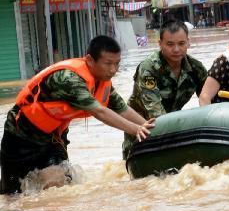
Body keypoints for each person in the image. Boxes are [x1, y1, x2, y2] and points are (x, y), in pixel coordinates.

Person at [1, 36, 155, 194]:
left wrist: (153, 129)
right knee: (12, 195)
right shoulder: (69, 79)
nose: (113, 70)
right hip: (20, 137)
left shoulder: (103, 81)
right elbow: (99, 112)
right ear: (89, 60)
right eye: (108, 63)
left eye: (117, 63)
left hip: (54, 138)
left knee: (58, 182)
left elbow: (123, 110)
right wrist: (138, 130)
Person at [123, 20, 207, 158]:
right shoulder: (149, 68)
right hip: (141, 130)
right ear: (160, 44)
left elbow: (209, 98)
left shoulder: (195, 68)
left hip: (171, 129)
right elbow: (155, 113)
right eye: (170, 44)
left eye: (181, 43)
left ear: (188, 43)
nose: (176, 49)